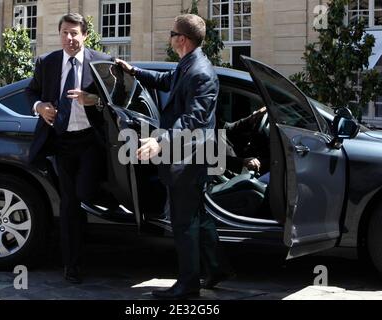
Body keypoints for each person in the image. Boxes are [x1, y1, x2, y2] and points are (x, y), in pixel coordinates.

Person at [117, 14, 233, 299]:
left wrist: (160, 140)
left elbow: (193, 119)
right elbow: (167, 80)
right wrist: (134, 71)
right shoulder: (188, 65)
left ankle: (188, 283)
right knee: (199, 217)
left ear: (181, 39)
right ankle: (216, 268)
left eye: (171, 33)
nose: (169, 38)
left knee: (184, 223)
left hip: (189, 157)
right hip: (187, 152)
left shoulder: (201, 73)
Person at [26, 13, 113, 284]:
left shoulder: (102, 62)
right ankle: (71, 264)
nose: (70, 38)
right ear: (60, 34)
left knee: (82, 194)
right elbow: (31, 92)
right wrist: (40, 107)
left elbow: (117, 99)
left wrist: (94, 100)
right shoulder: (47, 62)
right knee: (69, 205)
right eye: (65, 32)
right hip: (61, 142)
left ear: (84, 35)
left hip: (91, 142)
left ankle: (87, 238)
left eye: (75, 33)